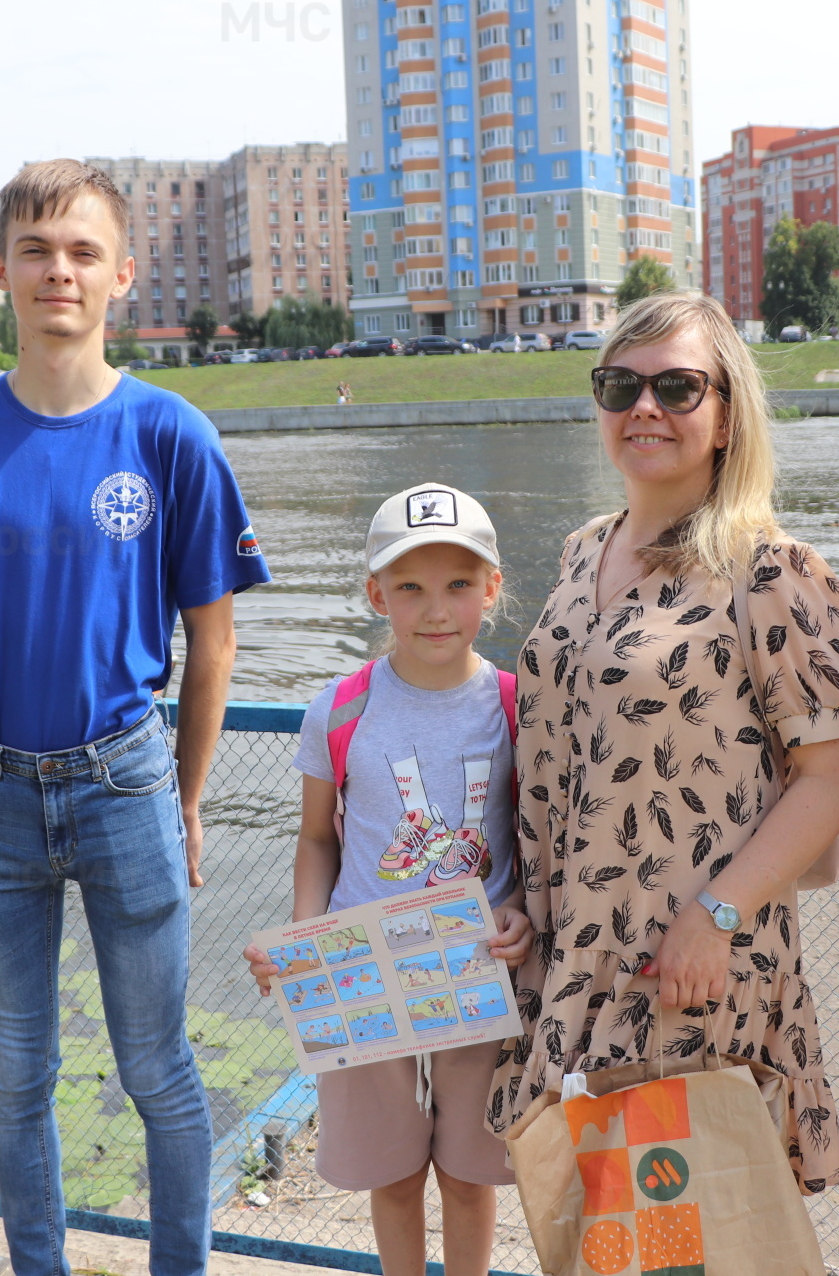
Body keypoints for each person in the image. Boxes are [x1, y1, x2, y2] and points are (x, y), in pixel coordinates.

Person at [0, 159, 270, 1276]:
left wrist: (188, 798)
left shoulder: (171, 436)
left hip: (125, 783)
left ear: (120, 275)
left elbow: (213, 641)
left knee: (157, 1066)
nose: (57, 270)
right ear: (0, 268)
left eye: (80, 251)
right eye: (35, 249)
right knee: (15, 1068)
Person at [486, 290, 839, 1199]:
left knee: (690, 1231)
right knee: (600, 1231)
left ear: (728, 413)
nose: (644, 408)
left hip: (686, 966)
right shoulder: (585, 548)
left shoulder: (772, 568)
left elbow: (832, 780)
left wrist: (718, 915)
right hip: (574, 954)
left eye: (678, 387)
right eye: (620, 385)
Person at [243, 483, 533, 1276]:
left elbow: (534, 845)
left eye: (457, 585)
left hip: (477, 971)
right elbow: (314, 839)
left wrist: (520, 912)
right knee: (393, 1173)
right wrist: (304, 934)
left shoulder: (515, 707)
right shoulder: (339, 709)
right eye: (409, 587)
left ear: (492, 589)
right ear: (376, 594)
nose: (435, 609)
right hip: (363, 972)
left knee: (471, 1173)